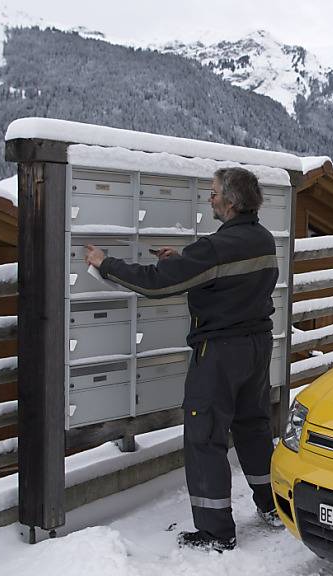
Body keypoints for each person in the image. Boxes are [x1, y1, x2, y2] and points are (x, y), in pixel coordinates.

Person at [85, 167, 282, 553]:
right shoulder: (262, 239)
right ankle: (273, 505)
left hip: (221, 353)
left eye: (212, 193)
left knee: (205, 435)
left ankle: (215, 531)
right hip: (256, 347)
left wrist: (105, 263)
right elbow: (220, 275)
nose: (208, 198)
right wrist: (181, 260)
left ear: (231, 201)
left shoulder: (214, 248)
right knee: (254, 428)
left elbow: (156, 284)